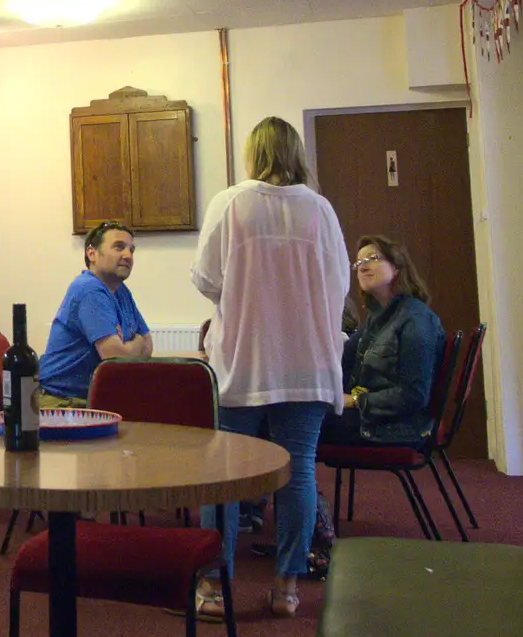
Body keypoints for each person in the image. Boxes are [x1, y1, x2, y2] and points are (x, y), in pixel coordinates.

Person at [189, 117, 349, 620]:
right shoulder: (320, 210)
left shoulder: (232, 203)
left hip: (245, 356)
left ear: (252, 154)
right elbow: (339, 284)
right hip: (306, 359)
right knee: (298, 470)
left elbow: (206, 279)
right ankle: (287, 587)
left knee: (225, 474)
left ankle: (215, 586)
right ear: (297, 153)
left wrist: (246, 294)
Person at [324, 236, 445, 446]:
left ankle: (293, 479)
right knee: (292, 414)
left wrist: (354, 400)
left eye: (372, 258)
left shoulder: (415, 319)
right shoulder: (378, 318)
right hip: (372, 417)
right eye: (359, 263)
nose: (363, 267)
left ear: (396, 267)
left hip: (396, 426)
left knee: (292, 422)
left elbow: (414, 395)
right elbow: (340, 360)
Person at [37, 220, 154, 408]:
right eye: (118, 247)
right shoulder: (89, 289)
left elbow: (149, 346)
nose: (128, 255)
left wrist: (129, 346)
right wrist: (136, 342)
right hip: (60, 402)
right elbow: (115, 360)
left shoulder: (121, 290)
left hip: (90, 400)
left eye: (131, 250)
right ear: (92, 253)